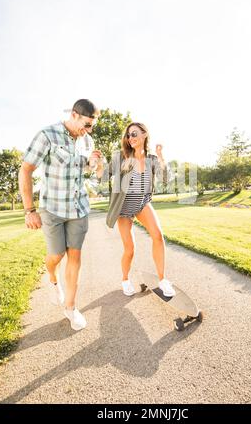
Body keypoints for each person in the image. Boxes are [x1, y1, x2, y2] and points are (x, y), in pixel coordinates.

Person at [18, 99, 103, 330]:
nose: (88, 130)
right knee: (56, 255)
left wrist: (93, 163)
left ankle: (71, 307)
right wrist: (29, 211)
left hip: (78, 209)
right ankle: (52, 277)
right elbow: (25, 169)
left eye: (91, 126)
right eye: (86, 124)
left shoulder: (87, 140)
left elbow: (84, 169)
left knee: (74, 257)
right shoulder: (47, 135)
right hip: (53, 209)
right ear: (74, 115)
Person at [106, 122, 176, 297]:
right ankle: (125, 279)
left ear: (145, 135)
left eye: (135, 134)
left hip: (142, 203)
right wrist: (96, 164)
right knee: (130, 249)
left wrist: (160, 155)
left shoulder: (151, 159)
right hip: (124, 209)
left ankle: (162, 279)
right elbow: (103, 174)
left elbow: (166, 179)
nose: (131, 138)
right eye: (128, 135)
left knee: (158, 236)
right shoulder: (122, 157)